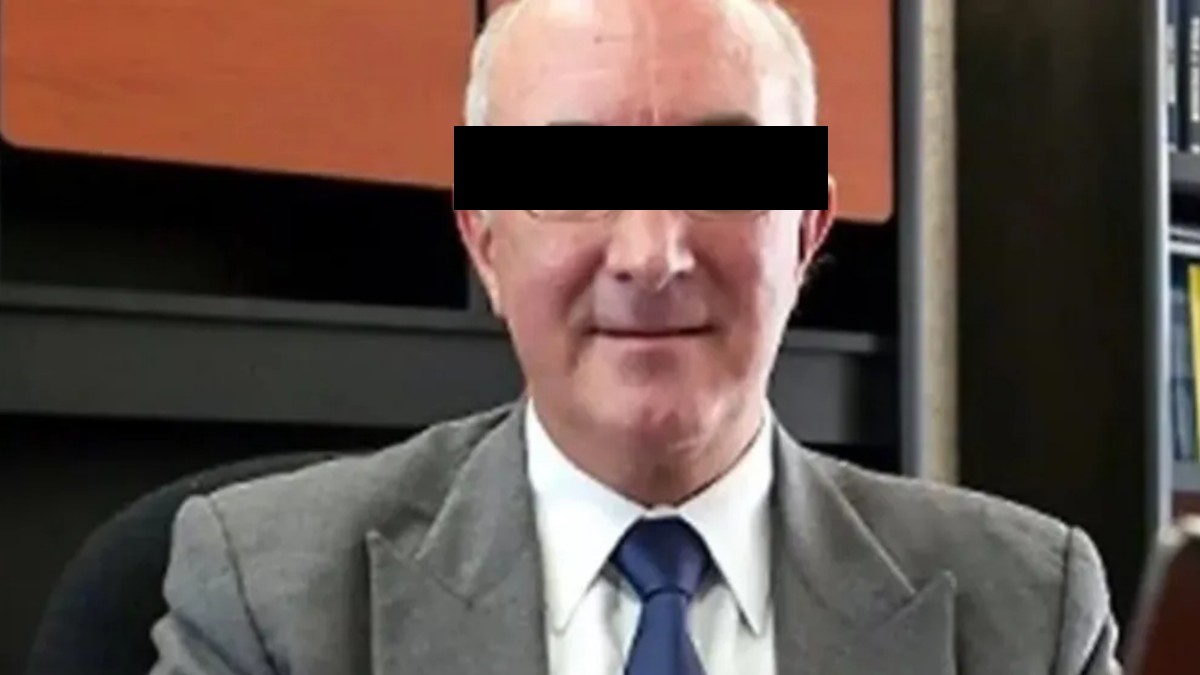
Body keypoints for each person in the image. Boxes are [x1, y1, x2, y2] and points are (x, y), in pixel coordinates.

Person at [148, 0, 1122, 673]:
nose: (653, 254)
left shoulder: (1029, 613)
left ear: (808, 229)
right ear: (483, 236)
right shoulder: (267, 600)